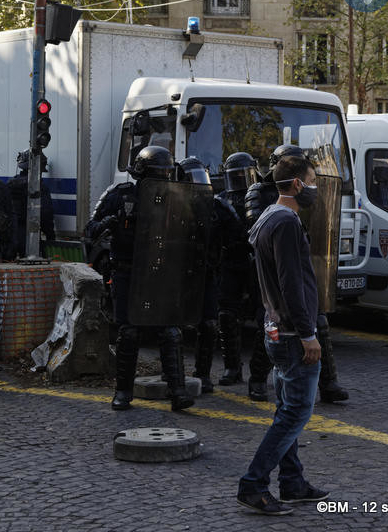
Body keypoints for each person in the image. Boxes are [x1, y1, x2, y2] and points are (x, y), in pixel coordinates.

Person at [237, 154, 329, 515]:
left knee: (286, 408)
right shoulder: (287, 222)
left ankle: (292, 482)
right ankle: (253, 484)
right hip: (291, 332)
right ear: (296, 184)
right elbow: (291, 283)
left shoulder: (268, 216)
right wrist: (308, 334)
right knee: (295, 413)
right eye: (312, 181)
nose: (315, 188)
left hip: (275, 327)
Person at [85, 146, 194, 412]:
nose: (161, 180)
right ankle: (123, 392)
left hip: (160, 271)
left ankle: (178, 391)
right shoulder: (119, 195)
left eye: (164, 175)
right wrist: (111, 222)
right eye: (156, 175)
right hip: (127, 271)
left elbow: (192, 232)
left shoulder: (175, 199)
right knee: (129, 331)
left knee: (169, 331)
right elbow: (91, 229)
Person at [245, 144, 349, 403]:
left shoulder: (292, 209)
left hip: (297, 263)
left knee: (317, 321)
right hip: (272, 271)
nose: (312, 186)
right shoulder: (268, 200)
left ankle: (328, 382)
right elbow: (286, 278)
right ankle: (257, 378)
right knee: (274, 325)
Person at [177, 156, 243, 393]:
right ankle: (173, 374)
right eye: (191, 179)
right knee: (172, 327)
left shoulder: (218, 207)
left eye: (200, 178)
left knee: (209, 324)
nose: (197, 184)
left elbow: (239, 237)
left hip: (207, 272)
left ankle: (203, 374)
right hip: (176, 275)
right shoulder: (170, 203)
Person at [216, 152, 260, 391]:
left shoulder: (262, 194)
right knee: (226, 315)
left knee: (265, 318)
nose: (242, 180)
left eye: (245, 175)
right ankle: (232, 367)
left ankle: (260, 373)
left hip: (255, 262)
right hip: (231, 261)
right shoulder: (222, 199)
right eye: (237, 176)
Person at [7, 150, 55, 258]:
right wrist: (50, 236)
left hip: (11, 236)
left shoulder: (10, 184)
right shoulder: (39, 187)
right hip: (30, 237)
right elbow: (46, 214)